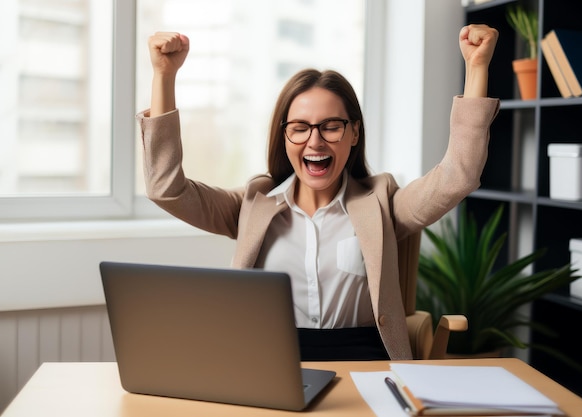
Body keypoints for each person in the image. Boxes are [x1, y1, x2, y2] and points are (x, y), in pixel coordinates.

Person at [137, 24, 500, 361]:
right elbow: (166, 188)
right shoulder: (253, 203)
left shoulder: (383, 203)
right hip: (273, 361)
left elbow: (458, 176)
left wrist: (477, 67)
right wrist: (164, 76)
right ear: (285, 136)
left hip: (366, 360)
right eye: (300, 128)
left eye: (330, 126)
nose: (315, 141)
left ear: (354, 133)